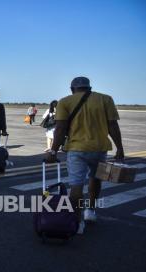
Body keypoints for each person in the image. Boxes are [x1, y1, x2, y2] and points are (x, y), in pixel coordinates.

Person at [45, 77, 124, 235]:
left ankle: (77, 221)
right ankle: (91, 211)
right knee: (95, 179)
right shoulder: (105, 99)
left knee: (76, 186)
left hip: (76, 149)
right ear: (89, 88)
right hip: (100, 148)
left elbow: (60, 129)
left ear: (72, 89)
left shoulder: (65, 102)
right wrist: (120, 148)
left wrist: (53, 151)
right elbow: (112, 125)